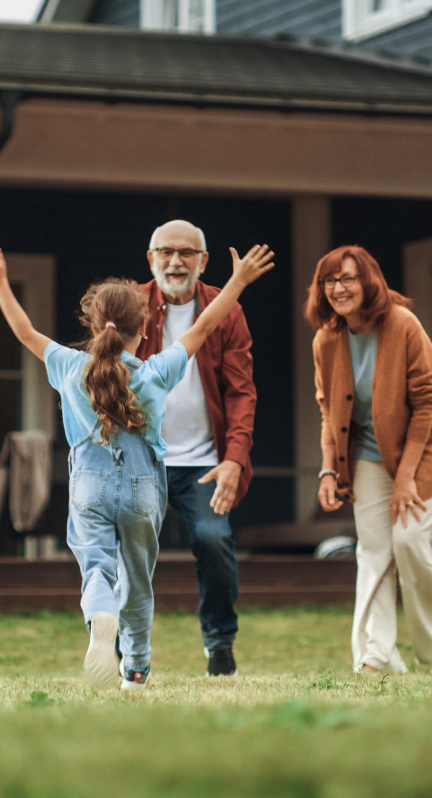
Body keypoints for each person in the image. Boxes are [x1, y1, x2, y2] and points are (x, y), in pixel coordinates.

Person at [0, 240, 274, 689]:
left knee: (97, 566)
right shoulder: (155, 372)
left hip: (89, 486)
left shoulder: (69, 366)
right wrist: (239, 281)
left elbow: (24, 331)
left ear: (93, 324)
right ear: (146, 325)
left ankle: (99, 615)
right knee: (137, 579)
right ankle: (135, 669)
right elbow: (207, 324)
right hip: (142, 489)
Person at [306, 245, 432, 675]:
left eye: (348, 278)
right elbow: (329, 409)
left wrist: (407, 478)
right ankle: (377, 653)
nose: (339, 288)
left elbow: (428, 401)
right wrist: (328, 468)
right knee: (375, 550)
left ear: (369, 281)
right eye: (330, 281)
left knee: (414, 543)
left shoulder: (402, 324)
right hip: (368, 456)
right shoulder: (326, 339)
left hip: (429, 450)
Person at [137, 219, 258, 677]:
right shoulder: (133, 304)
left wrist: (233, 459)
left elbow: (241, 392)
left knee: (213, 540)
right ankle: (125, 649)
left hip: (204, 463)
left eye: (186, 252)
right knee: (128, 553)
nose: (175, 260)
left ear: (204, 261)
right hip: (141, 459)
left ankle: (220, 642)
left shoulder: (226, 311)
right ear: (151, 259)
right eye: (165, 251)